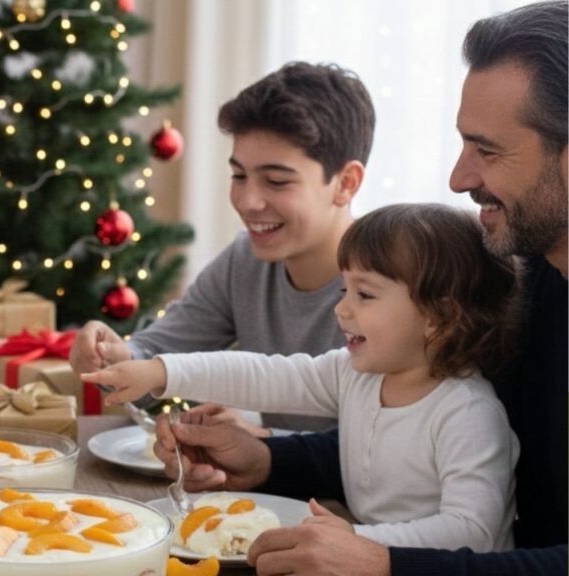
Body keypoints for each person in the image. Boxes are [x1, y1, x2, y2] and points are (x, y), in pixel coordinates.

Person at [143, 2, 568, 574]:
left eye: (486, 149)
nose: (458, 178)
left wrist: (381, 559)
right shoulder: (523, 274)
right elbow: (408, 454)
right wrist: (267, 460)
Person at [85, 203, 520, 552]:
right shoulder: (355, 375)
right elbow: (265, 373)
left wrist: (354, 541)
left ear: (439, 315)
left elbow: (471, 533)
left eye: (364, 294)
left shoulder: (467, 412)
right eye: (343, 290)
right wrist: (162, 372)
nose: (342, 309)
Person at [70, 61, 376, 436]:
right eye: (239, 175)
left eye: (277, 181)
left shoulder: (389, 283)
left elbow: (379, 454)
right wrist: (113, 356)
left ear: (346, 183)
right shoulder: (246, 260)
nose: (248, 202)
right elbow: (155, 357)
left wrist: (264, 443)